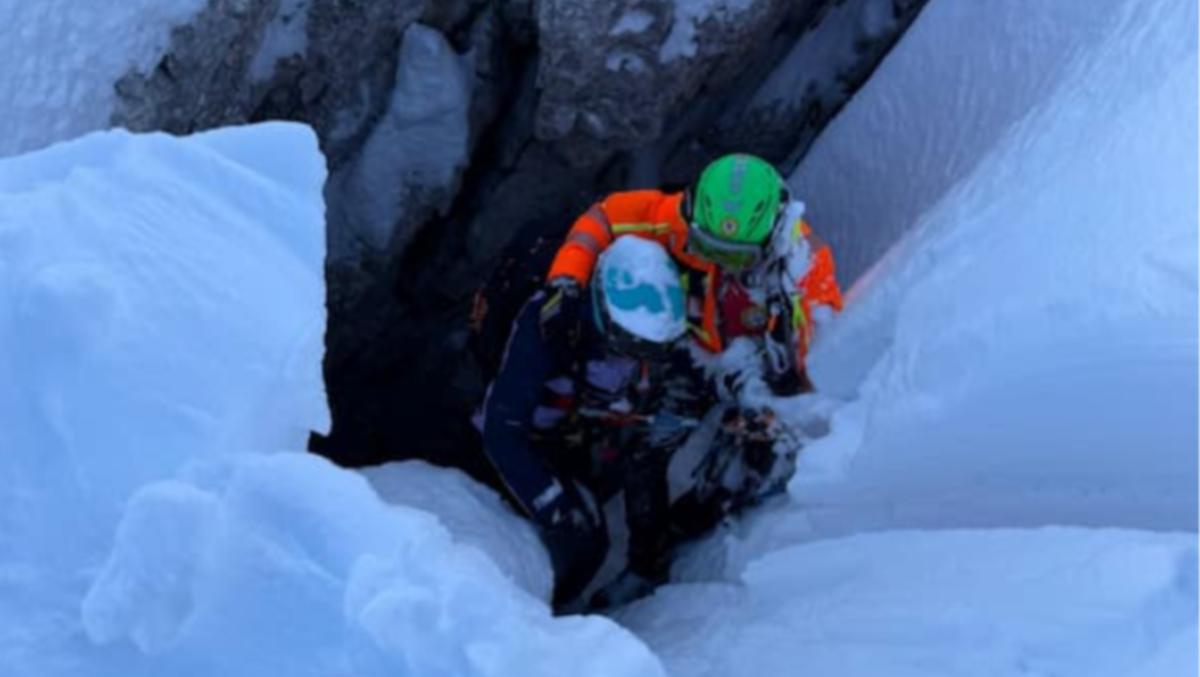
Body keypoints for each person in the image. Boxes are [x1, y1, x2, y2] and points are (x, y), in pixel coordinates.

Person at [478, 237, 711, 609]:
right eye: (632, 344)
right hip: (529, 434)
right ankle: (543, 621)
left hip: (584, 423)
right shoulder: (546, 327)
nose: (640, 355)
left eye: (650, 347)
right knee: (584, 539)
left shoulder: (651, 326)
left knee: (608, 493)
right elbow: (502, 429)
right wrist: (554, 504)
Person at [539, 153, 844, 397]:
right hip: (688, 348)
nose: (717, 261)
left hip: (739, 368)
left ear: (772, 239)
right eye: (706, 246)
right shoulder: (680, 218)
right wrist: (567, 278)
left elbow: (819, 356)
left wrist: (773, 394)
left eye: (735, 255)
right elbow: (602, 217)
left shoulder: (806, 267)